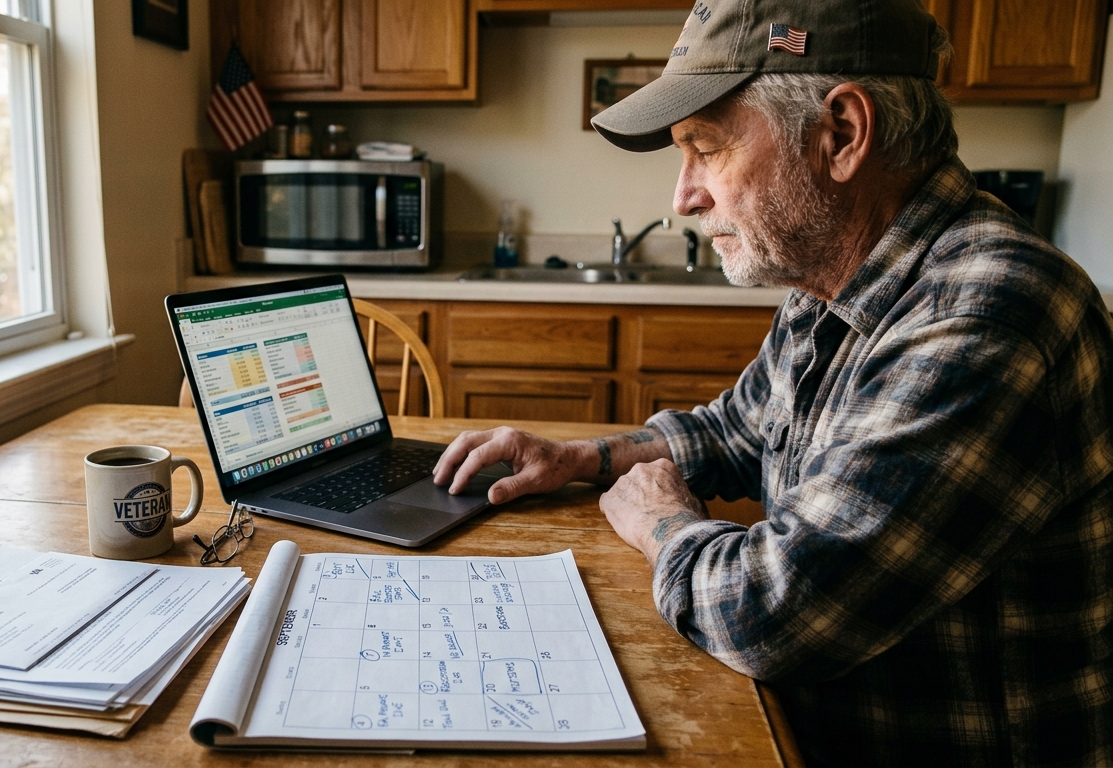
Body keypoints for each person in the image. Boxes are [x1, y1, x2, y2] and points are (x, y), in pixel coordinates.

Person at [432, 0, 1113, 765]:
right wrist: (582, 459)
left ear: (843, 135)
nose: (684, 197)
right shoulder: (831, 274)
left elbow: (774, 615)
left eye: (707, 148)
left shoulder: (989, 312)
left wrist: (662, 522)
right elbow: (739, 430)